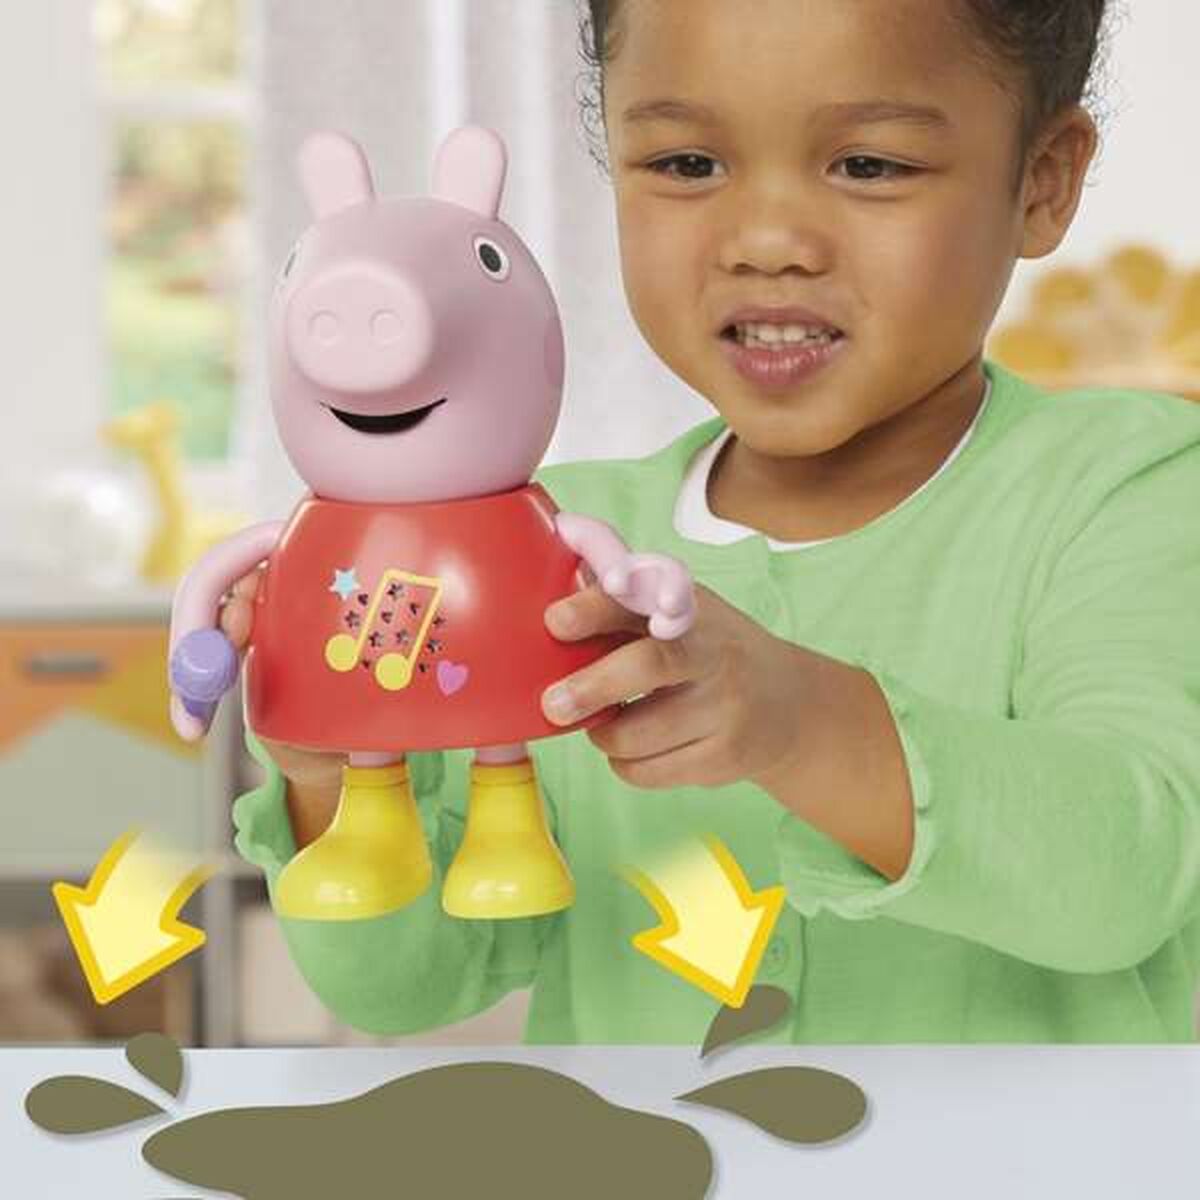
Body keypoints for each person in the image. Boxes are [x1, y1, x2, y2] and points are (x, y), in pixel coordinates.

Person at [227, 0, 1200, 1043]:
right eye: (688, 164)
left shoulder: (1129, 485)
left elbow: (1125, 879)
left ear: (1042, 181)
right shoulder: (556, 540)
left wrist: (800, 720)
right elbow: (404, 989)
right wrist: (329, 773)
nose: (768, 243)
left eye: (868, 165)